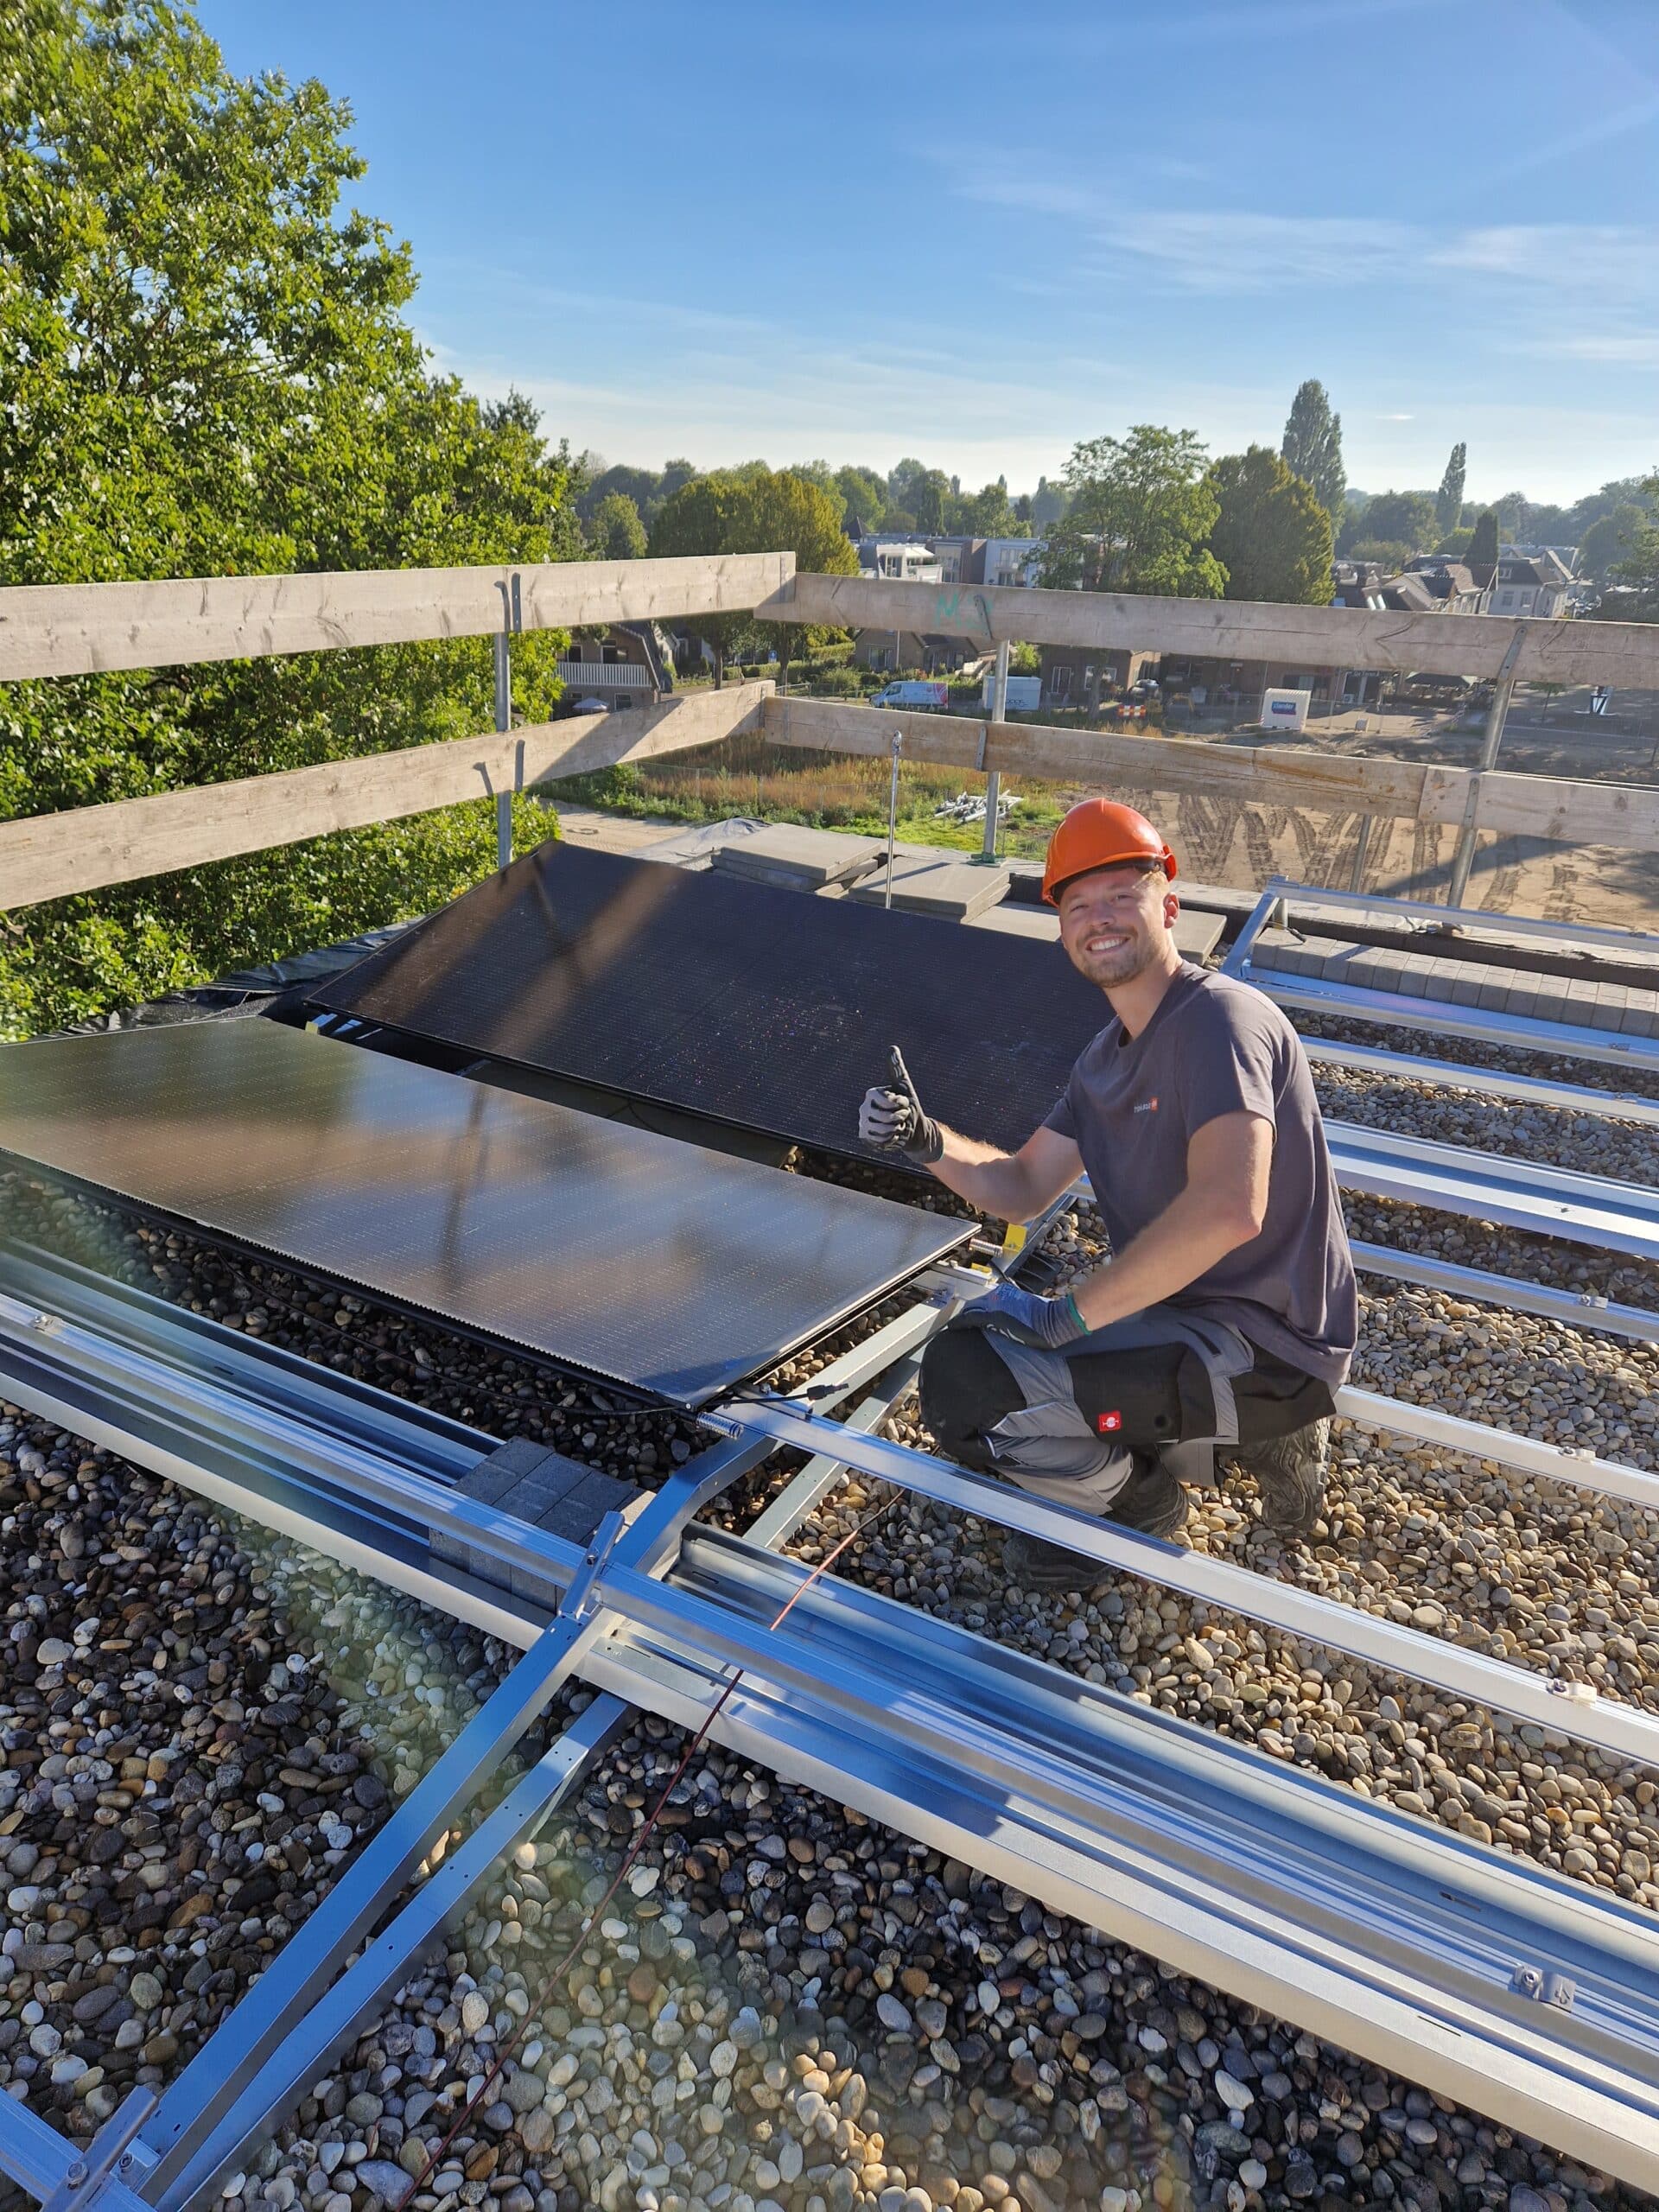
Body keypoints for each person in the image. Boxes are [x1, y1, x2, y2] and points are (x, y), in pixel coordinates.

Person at [857, 798, 1357, 1588]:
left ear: (1169, 905)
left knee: (968, 1389)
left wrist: (1072, 1315)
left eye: (1121, 896)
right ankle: (1240, 1442)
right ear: (1062, 931)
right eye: (1079, 905)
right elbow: (1021, 1188)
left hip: (1267, 1345)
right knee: (984, 1333)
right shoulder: (1102, 1061)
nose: (1100, 919)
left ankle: (1139, 1504)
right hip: (1185, 1320)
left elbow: (1232, 1205)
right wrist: (925, 1139)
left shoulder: (1218, 1022)